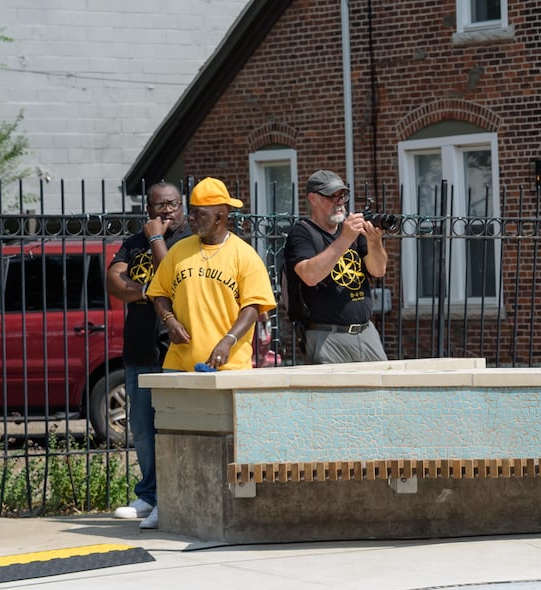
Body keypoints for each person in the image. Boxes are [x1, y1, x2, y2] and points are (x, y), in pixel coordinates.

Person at [143, 177, 277, 530]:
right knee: (171, 440)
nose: (191, 220)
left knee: (229, 443)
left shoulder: (244, 255)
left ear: (220, 216)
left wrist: (229, 340)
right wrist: (169, 320)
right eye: (192, 213)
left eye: (199, 214)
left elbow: (253, 306)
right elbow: (158, 292)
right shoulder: (179, 251)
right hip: (179, 364)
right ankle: (166, 503)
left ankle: (234, 508)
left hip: (229, 368)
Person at [106, 182, 190, 522]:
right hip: (140, 347)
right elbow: (114, 281)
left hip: (177, 349)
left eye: (172, 204)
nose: (167, 211)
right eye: (159, 205)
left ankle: (173, 497)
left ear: (182, 206)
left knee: (177, 427)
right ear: (148, 209)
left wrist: (157, 240)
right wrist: (147, 292)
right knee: (142, 428)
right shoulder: (132, 243)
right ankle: (150, 496)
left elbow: (175, 280)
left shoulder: (188, 242)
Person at [285, 169, 388, 364]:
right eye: (332, 196)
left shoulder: (352, 230)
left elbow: (378, 270)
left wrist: (375, 242)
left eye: (342, 196)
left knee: (381, 391)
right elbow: (309, 275)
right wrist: (345, 239)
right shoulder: (301, 233)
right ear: (313, 199)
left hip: (366, 332)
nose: (340, 202)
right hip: (327, 336)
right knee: (334, 394)